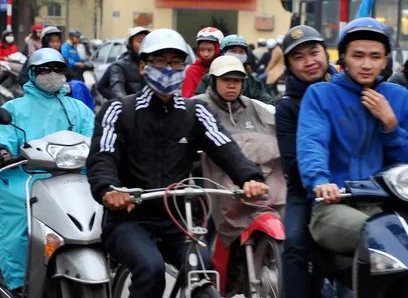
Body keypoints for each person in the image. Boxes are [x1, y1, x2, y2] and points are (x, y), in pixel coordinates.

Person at [85, 28, 268, 298]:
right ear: (143, 66)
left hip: (180, 218)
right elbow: (103, 155)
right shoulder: (119, 110)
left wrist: (250, 177)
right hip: (129, 218)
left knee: (202, 269)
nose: (168, 69)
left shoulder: (196, 111)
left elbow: (225, 147)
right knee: (151, 268)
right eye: (159, 61)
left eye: (175, 62)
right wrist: (108, 189)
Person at [297, 17, 408, 256]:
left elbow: (407, 160)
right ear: (343, 57)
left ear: (386, 60)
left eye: (375, 57)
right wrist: (320, 181)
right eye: (358, 55)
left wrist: (390, 124)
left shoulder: (399, 97)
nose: (367, 64)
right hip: (335, 203)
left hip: (386, 202)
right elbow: (312, 142)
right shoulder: (321, 94)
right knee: (378, 236)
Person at [0, 48, 95, 296]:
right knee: (18, 219)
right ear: (32, 73)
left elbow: (97, 140)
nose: (52, 74)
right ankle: (18, 281)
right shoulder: (14, 108)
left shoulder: (79, 109)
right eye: (45, 70)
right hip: (25, 181)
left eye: (58, 69)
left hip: (72, 181)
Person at [193, 55, 285, 294]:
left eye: (237, 80)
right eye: (226, 80)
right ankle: (202, 275)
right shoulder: (197, 106)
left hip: (253, 184)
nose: (232, 85)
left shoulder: (255, 107)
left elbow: (280, 129)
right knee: (203, 232)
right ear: (213, 81)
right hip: (211, 185)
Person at [276, 25, 337, 298]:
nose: (309, 62)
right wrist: (321, 183)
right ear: (289, 66)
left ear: (326, 53)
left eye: (314, 52)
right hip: (306, 190)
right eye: (298, 57)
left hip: (356, 182)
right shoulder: (287, 106)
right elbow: (292, 165)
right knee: (296, 243)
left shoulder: (347, 91)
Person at [195, 35, 275, 105]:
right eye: (233, 51)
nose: (237, 54)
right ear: (223, 53)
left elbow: (267, 102)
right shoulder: (211, 75)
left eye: (241, 51)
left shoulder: (251, 80)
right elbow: (199, 101)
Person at [107, 27, 150, 98]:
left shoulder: (154, 64)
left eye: (146, 41)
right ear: (130, 44)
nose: (144, 45)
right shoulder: (119, 66)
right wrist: (126, 104)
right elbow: (117, 89)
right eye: (140, 41)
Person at [182, 27, 223, 98]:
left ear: (218, 49)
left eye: (210, 50)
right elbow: (187, 98)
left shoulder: (226, 67)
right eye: (202, 50)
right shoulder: (192, 70)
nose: (205, 54)